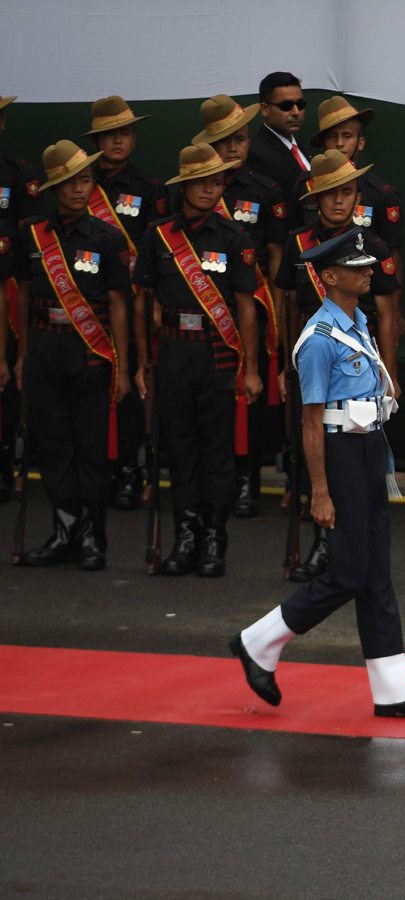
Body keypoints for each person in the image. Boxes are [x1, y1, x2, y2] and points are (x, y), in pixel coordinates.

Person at [230, 227, 405, 721]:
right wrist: (321, 491)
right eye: (357, 268)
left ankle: (393, 688)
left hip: (369, 448)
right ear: (329, 277)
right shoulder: (318, 339)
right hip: (339, 455)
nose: (369, 271)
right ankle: (258, 641)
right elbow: (309, 422)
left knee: (375, 575)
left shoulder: (357, 323)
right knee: (350, 572)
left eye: (368, 265)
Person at [134, 144, 262, 577]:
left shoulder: (235, 238)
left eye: (216, 182)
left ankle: (213, 538)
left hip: (218, 353)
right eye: (202, 182)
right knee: (179, 447)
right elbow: (143, 299)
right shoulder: (157, 235)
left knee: (215, 447)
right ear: (184, 185)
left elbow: (247, 307)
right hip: (172, 351)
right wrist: (141, 362)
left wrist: (252, 368)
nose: (210, 189)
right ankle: (184, 536)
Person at [276, 149, 400, 583]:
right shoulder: (298, 243)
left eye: (347, 192)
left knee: (356, 476)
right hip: (315, 358)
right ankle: (321, 544)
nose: (338, 202)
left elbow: (385, 314)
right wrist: (281, 362)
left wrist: (389, 375)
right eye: (329, 194)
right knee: (313, 443)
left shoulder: (373, 247)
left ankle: (346, 552)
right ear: (315, 196)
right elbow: (288, 307)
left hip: (356, 365)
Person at [11, 140, 130, 568]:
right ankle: (63, 531)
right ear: (54, 189)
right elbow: (23, 296)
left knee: (90, 445)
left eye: (85, 181)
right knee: (52, 441)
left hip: (90, 350)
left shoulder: (108, 237)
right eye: (70, 183)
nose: (80, 190)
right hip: (44, 345)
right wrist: (23, 354)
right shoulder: (32, 233)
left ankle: (92, 537)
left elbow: (119, 304)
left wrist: (122, 366)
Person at [192, 93, 290, 519]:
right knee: (210, 400)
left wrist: (280, 312)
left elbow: (276, 256)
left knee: (247, 396)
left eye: (242, 139)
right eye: (225, 141)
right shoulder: (192, 189)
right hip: (203, 305)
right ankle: (216, 478)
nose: (234, 148)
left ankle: (248, 478)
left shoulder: (265, 191)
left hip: (252, 306)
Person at [80, 95, 168, 512]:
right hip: (86, 306)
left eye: (126, 132)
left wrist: (152, 303)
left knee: (134, 388)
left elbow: (156, 253)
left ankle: (133, 469)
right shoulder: (77, 183)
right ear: (95, 139)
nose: (118, 140)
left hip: (132, 308)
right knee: (94, 389)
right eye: (109, 134)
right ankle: (99, 468)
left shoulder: (148, 189)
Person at [295, 96, 404, 300]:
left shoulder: (382, 193)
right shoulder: (303, 187)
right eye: (332, 137)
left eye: (347, 136)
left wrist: (395, 314)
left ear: (360, 142)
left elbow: (392, 258)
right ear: (323, 144)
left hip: (363, 300)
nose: (339, 144)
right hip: (313, 293)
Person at [0, 94, 42, 503]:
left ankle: (3, 462)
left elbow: (31, 238)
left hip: (6, 289)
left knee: (7, 380)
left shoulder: (18, 172)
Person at [247, 72, 310, 193]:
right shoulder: (256, 154)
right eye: (286, 106)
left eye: (300, 105)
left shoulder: (300, 148)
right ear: (265, 109)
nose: (296, 112)